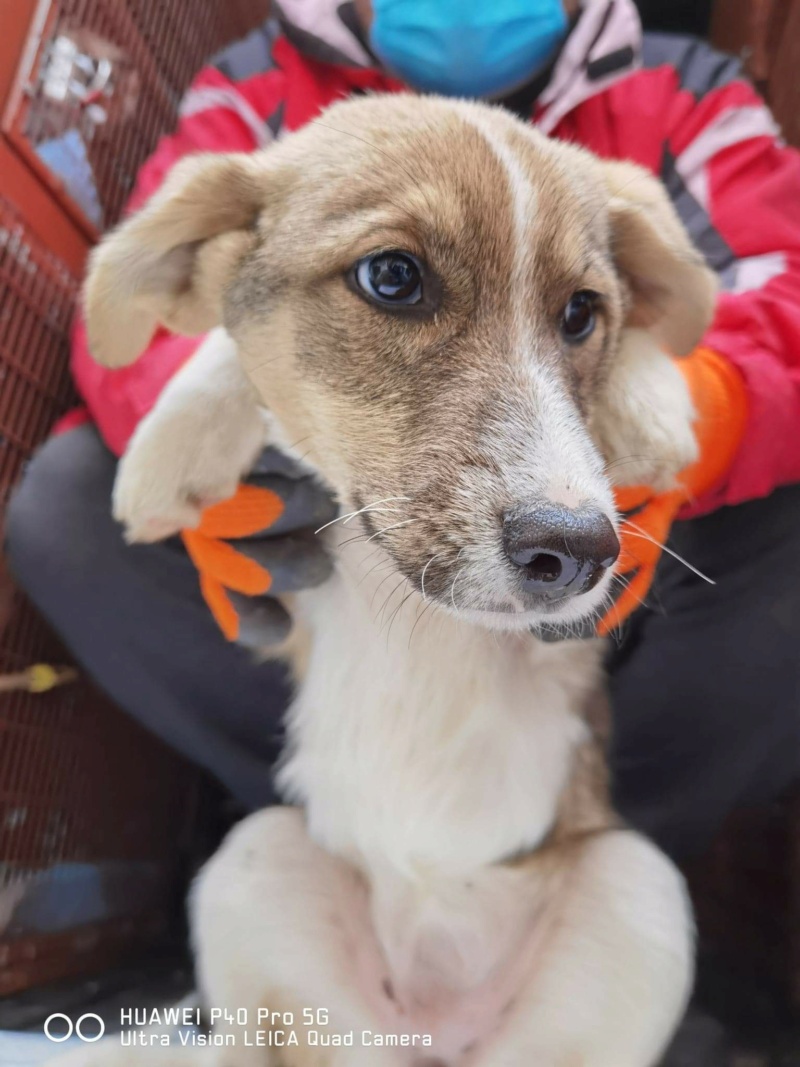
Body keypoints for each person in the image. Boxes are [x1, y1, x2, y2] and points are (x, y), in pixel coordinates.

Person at [6, 0, 800, 860]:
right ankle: (339, 821)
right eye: (396, 276)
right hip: (318, 565)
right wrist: (224, 430)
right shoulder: (254, 87)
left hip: (605, 652)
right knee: (66, 506)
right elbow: (139, 323)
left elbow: (784, 283)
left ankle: (600, 841)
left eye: (579, 309)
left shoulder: (684, 89)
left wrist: (710, 403)